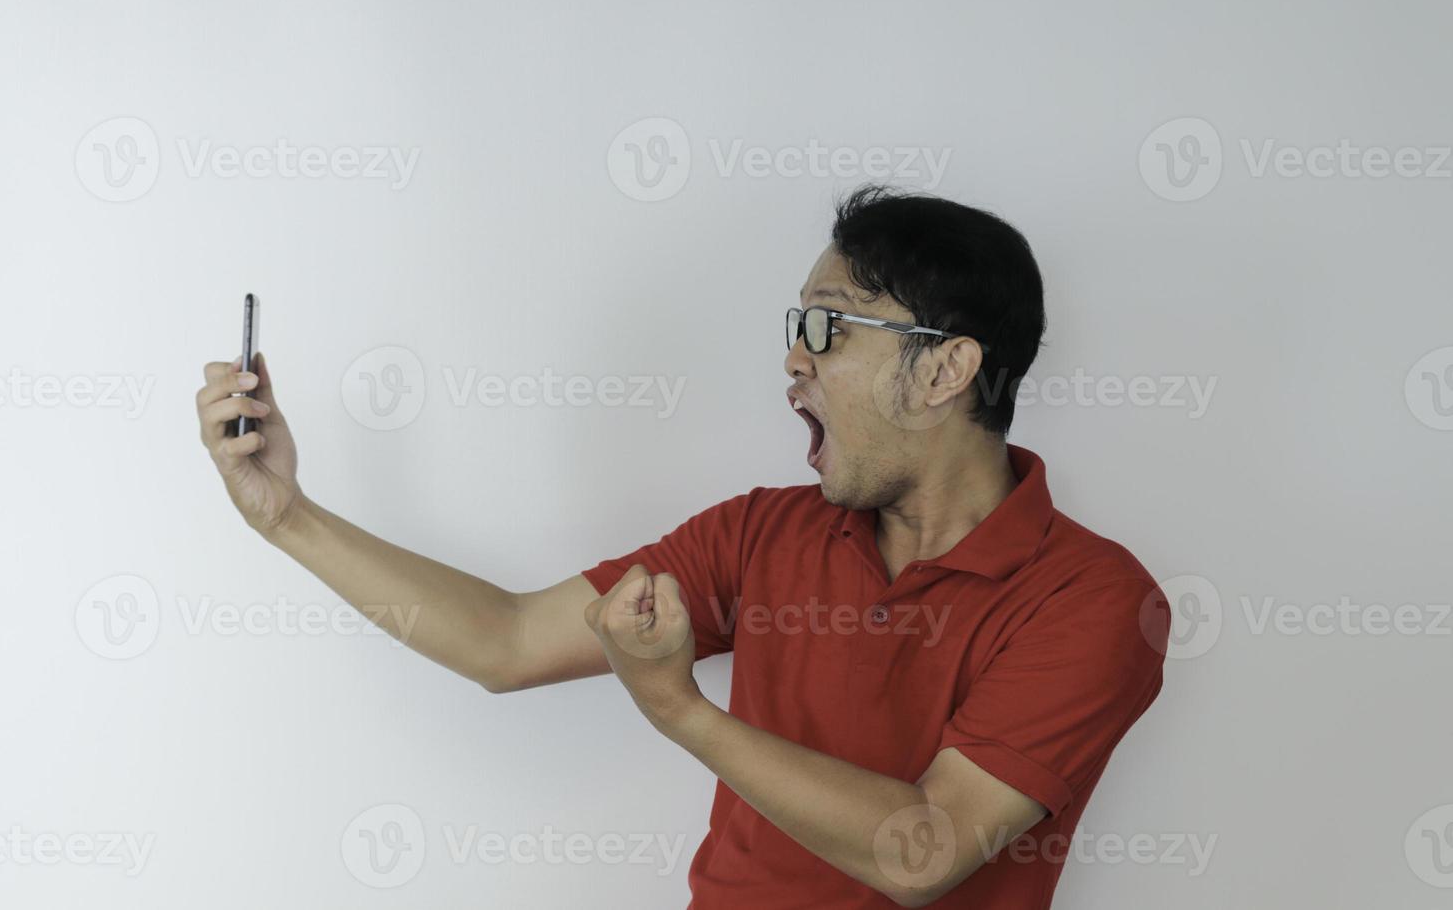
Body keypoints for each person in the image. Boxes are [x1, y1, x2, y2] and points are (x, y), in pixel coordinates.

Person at [195, 185, 1170, 908]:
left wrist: (679, 708)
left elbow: (922, 848)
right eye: (797, 325)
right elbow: (504, 639)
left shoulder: (1092, 599)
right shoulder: (763, 532)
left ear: (945, 368)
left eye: (827, 325)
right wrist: (288, 513)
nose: (793, 355)